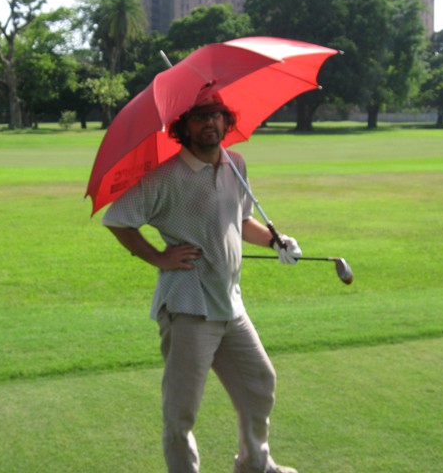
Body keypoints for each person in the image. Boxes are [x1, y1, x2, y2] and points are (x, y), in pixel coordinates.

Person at [102, 92, 302, 473]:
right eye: (199, 116)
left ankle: (254, 464)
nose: (209, 122)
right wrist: (160, 257)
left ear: (227, 120)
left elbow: (241, 220)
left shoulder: (235, 164)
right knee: (181, 413)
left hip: (230, 304)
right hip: (188, 308)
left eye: (215, 115)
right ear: (184, 126)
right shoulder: (165, 175)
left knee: (259, 383)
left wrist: (277, 242)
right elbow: (118, 219)